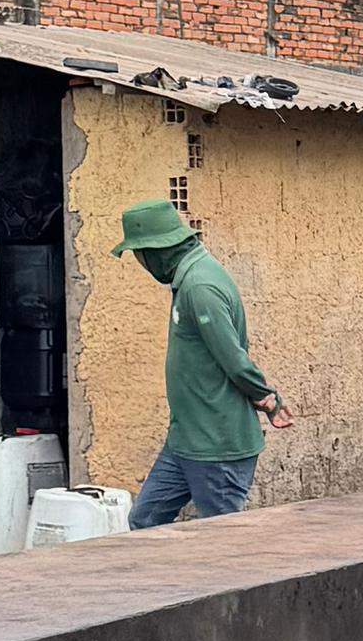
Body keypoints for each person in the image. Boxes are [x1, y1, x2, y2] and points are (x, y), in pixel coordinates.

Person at [117, 196, 284, 526]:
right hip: (186, 440)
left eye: (139, 255)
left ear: (156, 250)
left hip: (215, 445)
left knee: (223, 539)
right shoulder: (190, 279)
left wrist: (267, 398)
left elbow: (234, 359)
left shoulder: (200, 286)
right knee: (144, 520)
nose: (141, 264)